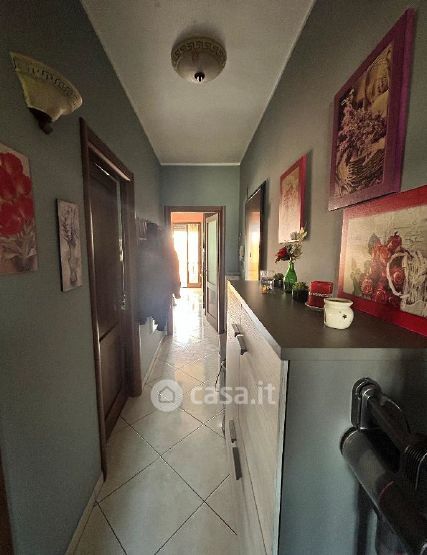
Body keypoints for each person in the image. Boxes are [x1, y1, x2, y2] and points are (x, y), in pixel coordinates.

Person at [137, 223, 181, 331]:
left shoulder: (143, 248)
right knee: (160, 309)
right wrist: (176, 291)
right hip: (161, 288)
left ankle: (154, 320)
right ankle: (160, 322)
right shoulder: (170, 252)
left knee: (152, 307)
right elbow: (175, 272)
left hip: (149, 288)